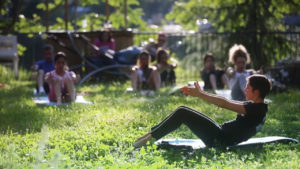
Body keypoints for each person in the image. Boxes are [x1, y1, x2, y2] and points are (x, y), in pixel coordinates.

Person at [133, 74, 272, 148]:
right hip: (220, 133)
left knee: (182, 113)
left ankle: (149, 138)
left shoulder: (257, 109)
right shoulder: (254, 106)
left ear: (257, 91)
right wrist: (201, 92)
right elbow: (224, 100)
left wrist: (200, 94)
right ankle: (149, 135)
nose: (245, 89)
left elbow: (223, 104)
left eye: (248, 87)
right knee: (183, 110)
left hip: (219, 140)